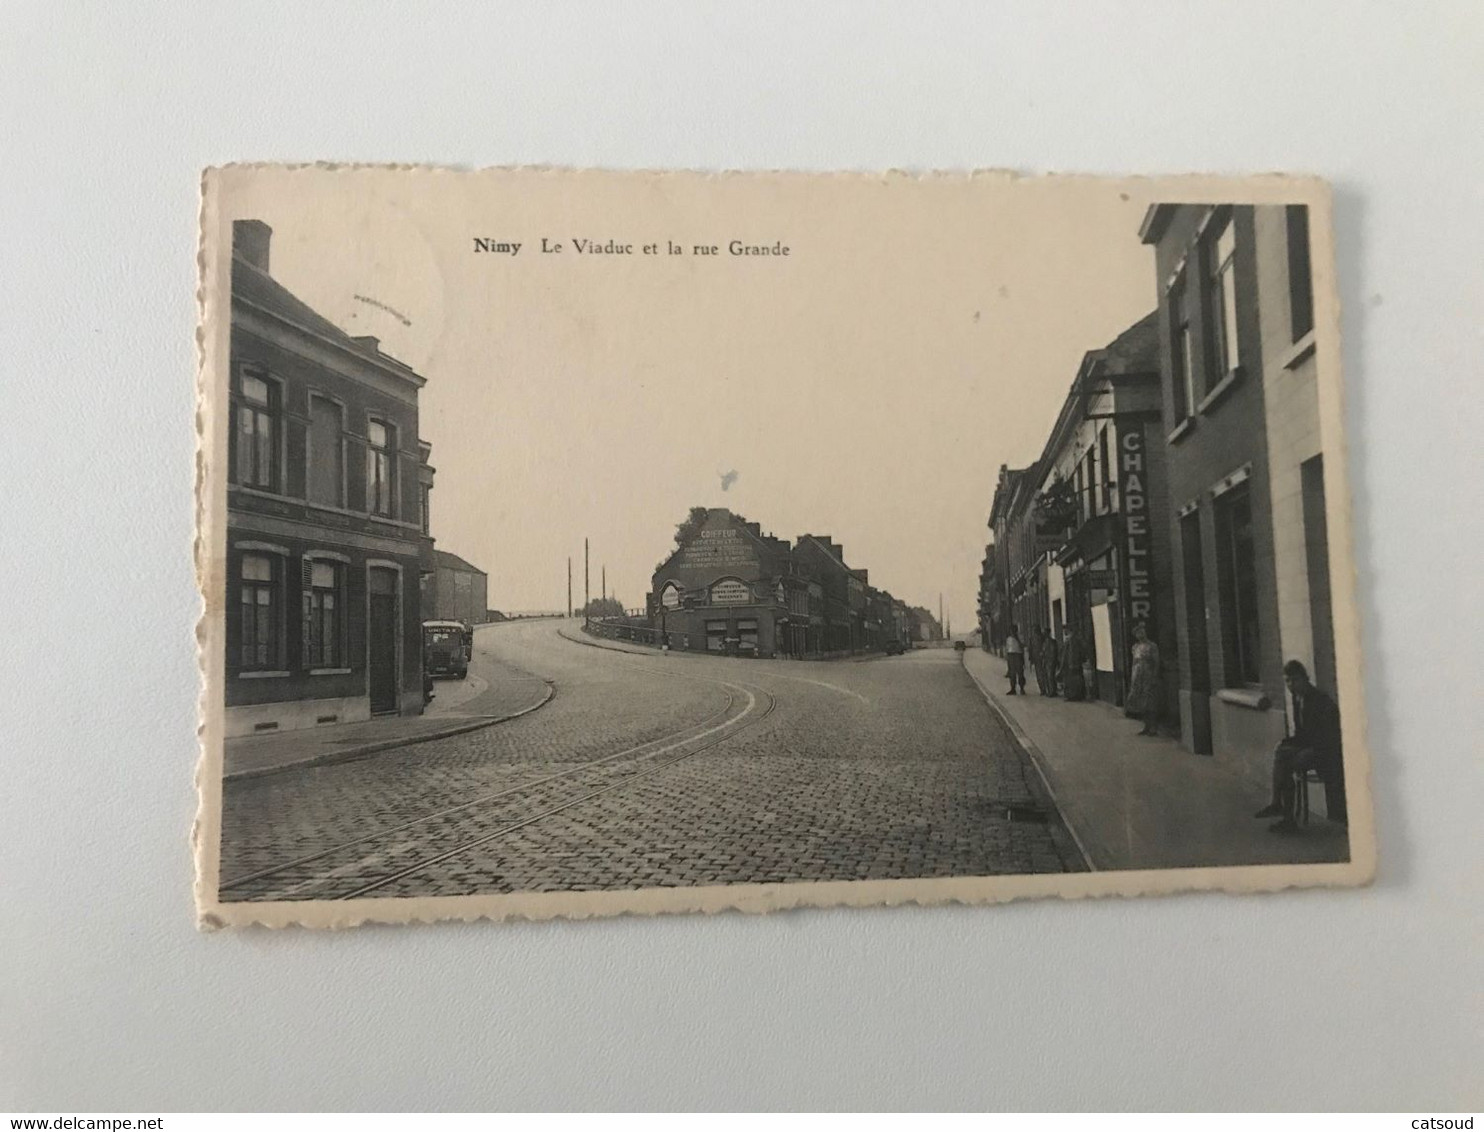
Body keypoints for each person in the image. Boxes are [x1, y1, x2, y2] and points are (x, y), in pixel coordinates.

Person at [1256, 660, 1345, 833]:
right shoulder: (1298, 700)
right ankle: (1281, 809)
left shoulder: (1321, 701)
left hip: (1327, 753)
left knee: (1286, 764)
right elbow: (1302, 734)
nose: (1291, 685)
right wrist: (1288, 743)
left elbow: (1330, 737)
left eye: (1295, 680)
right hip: (1312, 748)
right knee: (1281, 753)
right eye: (1288, 681)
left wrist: (1307, 750)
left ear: (1306, 679)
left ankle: (1284, 813)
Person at [1124, 621, 1161, 736]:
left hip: (1148, 675)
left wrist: (1154, 676)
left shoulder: (1152, 646)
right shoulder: (1135, 647)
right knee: (1141, 702)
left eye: (1141, 631)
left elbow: (1156, 662)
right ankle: (1146, 726)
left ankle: (1153, 727)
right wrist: (1133, 677)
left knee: (1150, 701)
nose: (1140, 634)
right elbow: (1134, 662)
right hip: (1137, 676)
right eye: (1137, 633)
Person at [1004, 623, 1026, 695]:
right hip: (1011, 656)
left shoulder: (1020, 636)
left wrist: (1017, 638)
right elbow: (1007, 649)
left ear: (1016, 630)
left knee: (1020, 673)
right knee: (1012, 673)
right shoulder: (1008, 638)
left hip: (1018, 655)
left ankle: (1022, 688)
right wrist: (1007, 658)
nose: (1012, 632)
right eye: (1011, 630)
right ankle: (1013, 689)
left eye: (1013, 630)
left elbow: (1022, 646)